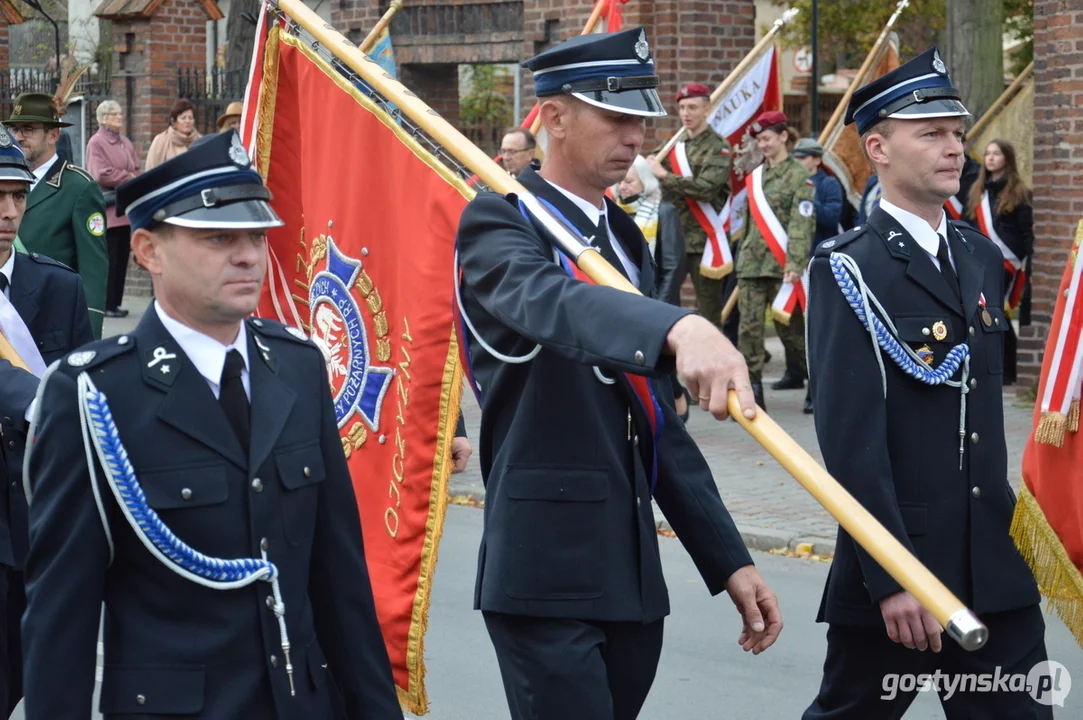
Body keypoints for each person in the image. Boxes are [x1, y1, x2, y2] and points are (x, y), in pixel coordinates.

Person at [456, 28, 782, 720]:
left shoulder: (624, 238)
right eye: (615, 117)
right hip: (541, 572)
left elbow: (655, 421)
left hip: (627, 575)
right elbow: (550, 303)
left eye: (640, 119)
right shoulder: (498, 223)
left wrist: (727, 559)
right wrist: (675, 325)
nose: (635, 135)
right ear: (553, 117)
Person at [20, 131, 402, 719]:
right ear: (147, 250)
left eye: (256, 235)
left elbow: (339, 582)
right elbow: (61, 616)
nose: (248, 255)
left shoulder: (297, 368)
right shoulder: (95, 393)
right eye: (218, 238)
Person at [802, 48, 1049, 719]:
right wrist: (892, 576)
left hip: (991, 561)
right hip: (902, 568)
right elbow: (850, 441)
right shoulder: (848, 269)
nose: (952, 147)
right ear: (876, 147)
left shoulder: (975, 253)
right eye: (930, 133)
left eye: (956, 132)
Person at [0, 129, 93, 716]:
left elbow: (82, 404)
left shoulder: (60, 288)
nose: (8, 213)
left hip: (39, 527)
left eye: (17, 196)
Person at [5, 92, 108, 339]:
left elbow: (93, 271)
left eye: (28, 129)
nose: (19, 137)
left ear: (53, 135)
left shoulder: (79, 187)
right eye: (16, 129)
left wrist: (88, 339)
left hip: (51, 321)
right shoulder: (7, 180)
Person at [733, 110, 815, 412]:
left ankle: (815, 382)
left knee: (792, 333)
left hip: (783, 269)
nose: (763, 145)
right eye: (759, 141)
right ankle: (753, 392)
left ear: (783, 136)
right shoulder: (756, 176)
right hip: (752, 266)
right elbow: (752, 225)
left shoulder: (799, 176)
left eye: (767, 139)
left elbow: (801, 222)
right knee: (749, 331)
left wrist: (795, 263)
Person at [647, 82, 733, 336]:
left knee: (708, 310)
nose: (686, 113)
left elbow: (706, 188)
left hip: (704, 241)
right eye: (682, 107)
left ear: (707, 109)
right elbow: (649, 179)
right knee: (664, 303)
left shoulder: (718, 146)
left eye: (693, 107)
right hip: (672, 238)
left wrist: (664, 175)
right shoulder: (673, 146)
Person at [615, 155, 691, 419]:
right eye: (620, 182)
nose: (622, 187)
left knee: (656, 358)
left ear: (644, 182)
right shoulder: (613, 211)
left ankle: (677, 400)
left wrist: (661, 305)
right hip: (621, 297)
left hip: (655, 299)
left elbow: (673, 264)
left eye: (628, 181)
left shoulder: (663, 211)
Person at [965, 138, 1033, 385]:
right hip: (978, 260)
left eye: (997, 153)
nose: (991, 157)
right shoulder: (977, 191)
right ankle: (991, 365)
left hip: (1007, 262)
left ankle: (1008, 369)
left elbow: (1026, 233)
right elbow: (968, 224)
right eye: (988, 153)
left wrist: (1030, 263)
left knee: (996, 312)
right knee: (982, 313)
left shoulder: (1020, 192)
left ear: (1007, 158)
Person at [85, 99, 141, 319]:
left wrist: (130, 177)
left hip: (124, 210)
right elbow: (100, 173)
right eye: (116, 114)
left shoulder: (125, 142)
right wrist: (128, 177)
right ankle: (106, 304)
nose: (120, 117)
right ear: (104, 118)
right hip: (107, 211)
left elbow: (137, 168)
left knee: (122, 260)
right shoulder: (96, 142)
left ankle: (115, 303)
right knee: (110, 259)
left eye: (120, 113)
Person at [145, 99, 202, 170]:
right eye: (183, 118)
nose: (188, 121)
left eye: (190, 118)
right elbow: (151, 169)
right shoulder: (161, 141)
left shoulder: (200, 141)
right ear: (173, 121)